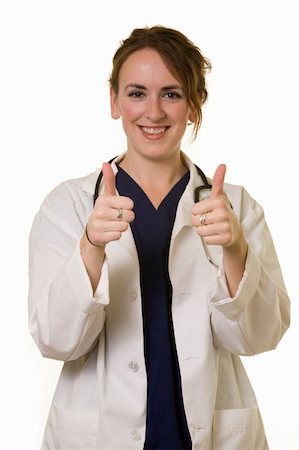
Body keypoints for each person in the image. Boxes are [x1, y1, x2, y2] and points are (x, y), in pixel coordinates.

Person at [28, 25, 290, 450]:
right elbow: (56, 342)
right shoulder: (69, 206)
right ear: (113, 100)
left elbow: (259, 338)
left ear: (193, 104)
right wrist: (91, 249)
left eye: (171, 93)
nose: (154, 112)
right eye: (136, 93)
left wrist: (236, 249)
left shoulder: (236, 208)